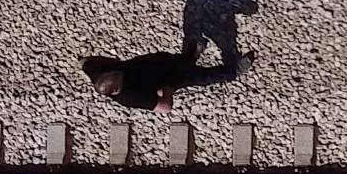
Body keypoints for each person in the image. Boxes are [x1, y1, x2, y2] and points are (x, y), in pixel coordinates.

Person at [81, 46, 254, 115]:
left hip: (157, 63)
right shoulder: (131, 97)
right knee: (201, 76)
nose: (119, 70)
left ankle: (189, 57)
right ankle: (234, 72)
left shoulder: (99, 72)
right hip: (167, 79)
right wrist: (168, 89)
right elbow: (165, 107)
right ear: (117, 88)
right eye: (118, 75)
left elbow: (83, 62)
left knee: (178, 60)